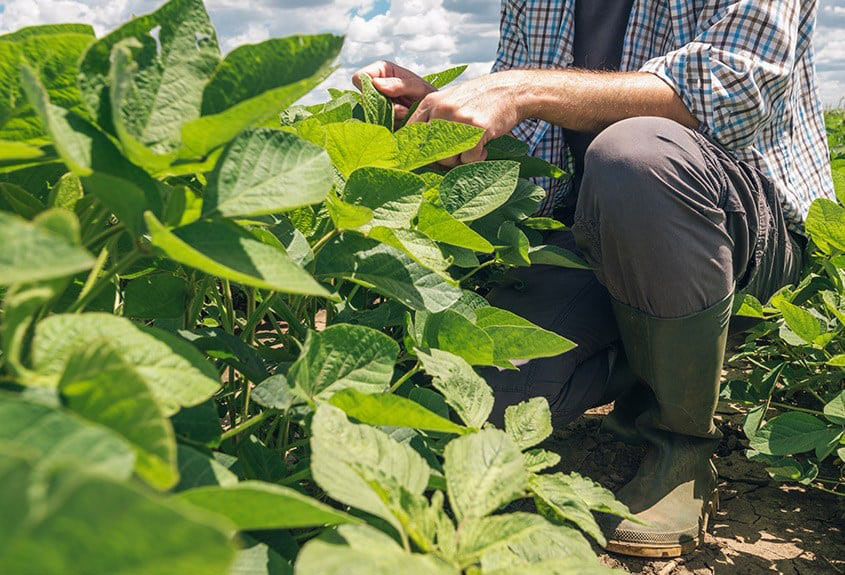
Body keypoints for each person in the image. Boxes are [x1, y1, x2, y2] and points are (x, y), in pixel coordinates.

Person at [353, 0, 835, 558]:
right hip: (590, 229)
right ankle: (657, 348)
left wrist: (516, 90)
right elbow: (536, 140)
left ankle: (680, 445)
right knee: (492, 401)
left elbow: (729, 88)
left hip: (737, 225)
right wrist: (447, 126)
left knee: (634, 156)